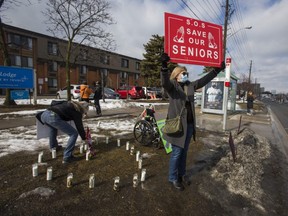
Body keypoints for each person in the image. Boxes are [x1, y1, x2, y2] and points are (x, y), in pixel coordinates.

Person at [160, 53, 225, 191]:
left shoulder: (190, 85)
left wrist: (217, 70)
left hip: (189, 126)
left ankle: (182, 175)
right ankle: (173, 178)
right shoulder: (172, 87)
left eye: (186, 73)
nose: (185, 75)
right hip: (178, 127)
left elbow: (204, 80)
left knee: (184, 152)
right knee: (177, 153)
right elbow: (164, 82)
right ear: (176, 75)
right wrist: (164, 67)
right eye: (183, 73)